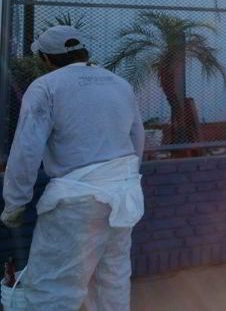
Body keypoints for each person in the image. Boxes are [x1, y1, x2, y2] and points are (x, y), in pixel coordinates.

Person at [1, 25, 145, 309]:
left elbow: (27, 149)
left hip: (76, 201)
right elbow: (137, 136)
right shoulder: (119, 84)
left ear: (46, 58)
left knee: (54, 289)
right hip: (123, 197)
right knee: (112, 280)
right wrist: (123, 178)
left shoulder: (46, 86)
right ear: (83, 52)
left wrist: (15, 203)